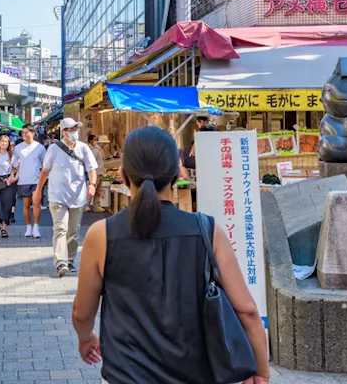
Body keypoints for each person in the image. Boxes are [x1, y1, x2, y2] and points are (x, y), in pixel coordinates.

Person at [71, 125, 270, 384]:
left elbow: (82, 312)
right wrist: (261, 371)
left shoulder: (101, 234)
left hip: (126, 375)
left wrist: (86, 338)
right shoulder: (207, 230)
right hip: (198, 374)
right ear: (178, 173)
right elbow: (247, 312)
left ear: (122, 175)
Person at [33, 118, 98, 277]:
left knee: (73, 232)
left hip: (78, 196)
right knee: (60, 228)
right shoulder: (54, 149)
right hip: (57, 196)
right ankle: (60, 262)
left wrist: (92, 184)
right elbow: (45, 172)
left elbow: (92, 169)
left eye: (76, 128)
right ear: (64, 132)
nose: (75, 132)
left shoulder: (83, 148)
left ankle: (69, 260)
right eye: (71, 129)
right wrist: (38, 190)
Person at [13, 126, 46, 239]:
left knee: (36, 203)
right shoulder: (18, 148)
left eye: (27, 132)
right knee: (26, 205)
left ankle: (36, 227)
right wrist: (16, 170)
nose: (25, 135)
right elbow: (13, 162)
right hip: (23, 180)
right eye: (23, 133)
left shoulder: (40, 147)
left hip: (36, 180)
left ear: (33, 133)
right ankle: (28, 227)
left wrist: (44, 178)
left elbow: (45, 164)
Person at [0, 133, 18, 238]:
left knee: (7, 206)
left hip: (8, 183)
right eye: (2, 141)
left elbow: (16, 168)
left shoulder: (12, 156)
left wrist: (14, 177)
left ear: (9, 143)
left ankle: (4, 227)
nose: (4, 143)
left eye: (6, 141)